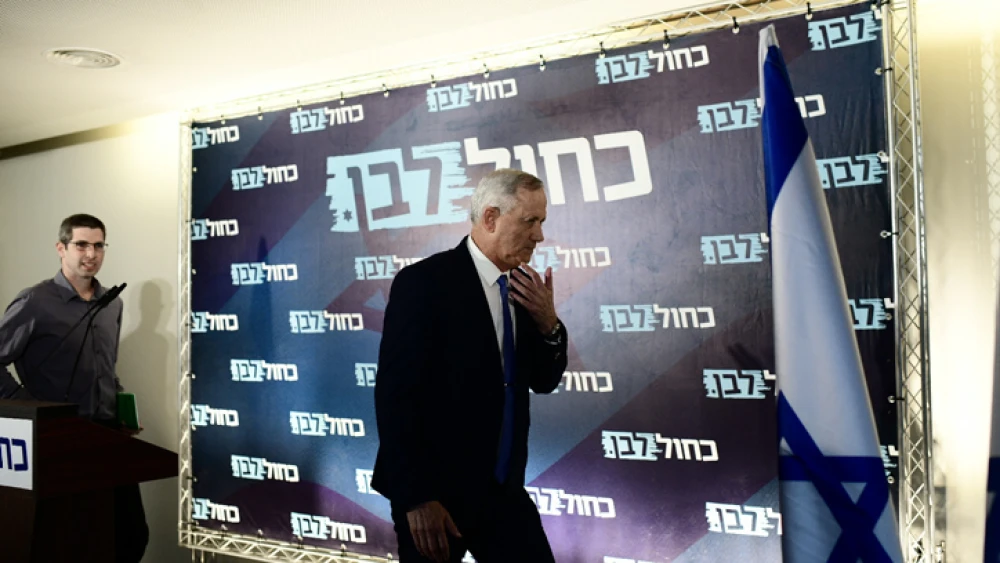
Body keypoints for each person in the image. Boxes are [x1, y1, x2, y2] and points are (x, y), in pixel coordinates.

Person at [372, 169, 569, 562]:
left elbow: (544, 381)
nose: (539, 235)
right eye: (530, 221)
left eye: (542, 222)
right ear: (491, 218)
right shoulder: (424, 283)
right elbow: (397, 398)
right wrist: (417, 498)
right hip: (434, 498)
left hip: (503, 493)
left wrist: (550, 325)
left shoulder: (524, 288)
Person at [0, 213, 148, 563]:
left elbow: (106, 368)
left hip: (109, 434)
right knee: (67, 539)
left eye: (98, 245)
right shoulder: (35, 301)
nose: (90, 253)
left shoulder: (113, 303)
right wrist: (27, 405)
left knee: (129, 534)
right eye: (81, 244)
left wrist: (121, 408)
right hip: (59, 437)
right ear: (61, 248)